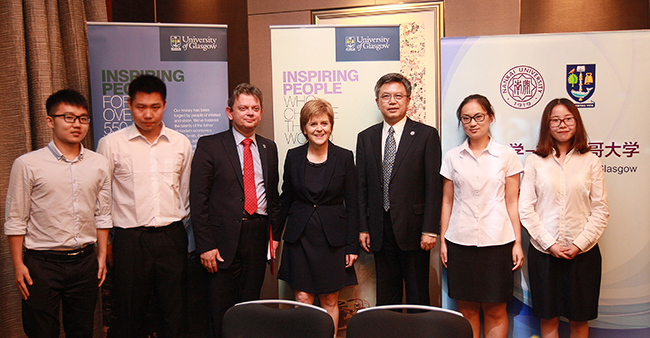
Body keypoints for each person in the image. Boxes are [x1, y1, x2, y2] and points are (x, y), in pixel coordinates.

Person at [5, 89, 111, 338]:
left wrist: (102, 256)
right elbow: (15, 219)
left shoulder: (99, 163)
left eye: (83, 118)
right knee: (41, 331)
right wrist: (18, 264)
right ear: (50, 121)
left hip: (85, 262)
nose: (77, 124)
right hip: (41, 264)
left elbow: (103, 213)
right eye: (69, 117)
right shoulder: (28, 164)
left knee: (82, 330)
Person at [97, 74, 192, 337]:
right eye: (141, 107)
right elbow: (102, 197)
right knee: (128, 312)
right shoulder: (111, 144)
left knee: (174, 311)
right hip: (130, 239)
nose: (148, 114)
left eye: (155, 107)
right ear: (129, 104)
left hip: (171, 237)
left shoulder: (180, 143)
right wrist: (108, 243)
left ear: (165, 105)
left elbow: (185, 192)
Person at [190, 83, 282, 338]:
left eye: (255, 108)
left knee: (249, 306)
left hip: (258, 235)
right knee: (220, 308)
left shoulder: (268, 148)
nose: (249, 113)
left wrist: (274, 237)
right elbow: (198, 199)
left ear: (261, 113)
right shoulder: (210, 145)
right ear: (230, 112)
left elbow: (273, 197)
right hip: (221, 241)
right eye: (243, 108)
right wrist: (206, 244)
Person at [519, 98, 609, 338]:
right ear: (547, 125)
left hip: (583, 255)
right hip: (545, 254)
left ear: (576, 123)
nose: (562, 125)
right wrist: (550, 243)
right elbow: (526, 208)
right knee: (548, 319)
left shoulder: (590, 161)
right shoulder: (535, 161)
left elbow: (601, 209)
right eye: (555, 120)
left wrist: (579, 244)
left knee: (579, 320)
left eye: (568, 119)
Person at [439, 94, 524, 338]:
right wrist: (444, 240)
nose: (473, 123)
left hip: (497, 241)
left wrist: (518, 242)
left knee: (496, 309)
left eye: (478, 117)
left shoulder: (506, 155)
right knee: (466, 309)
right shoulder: (453, 156)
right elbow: (447, 200)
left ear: (490, 117)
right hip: (460, 241)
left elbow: (512, 201)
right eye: (466, 118)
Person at [356, 73, 442, 306]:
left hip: (415, 230)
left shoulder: (426, 135)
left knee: (417, 295)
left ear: (408, 100)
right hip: (379, 230)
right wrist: (363, 227)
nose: (392, 101)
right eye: (386, 96)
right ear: (377, 102)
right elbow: (361, 186)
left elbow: (433, 187)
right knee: (386, 296)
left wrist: (430, 229)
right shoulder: (366, 138)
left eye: (398, 96)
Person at [278, 98, 359, 329]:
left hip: (333, 241)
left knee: (330, 299)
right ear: (304, 128)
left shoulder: (344, 157)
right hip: (300, 239)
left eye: (324, 123)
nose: (319, 129)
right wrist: (274, 238)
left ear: (331, 126)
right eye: (313, 124)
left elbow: (352, 204)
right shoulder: (293, 157)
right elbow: (286, 200)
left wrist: (352, 246)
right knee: (302, 299)